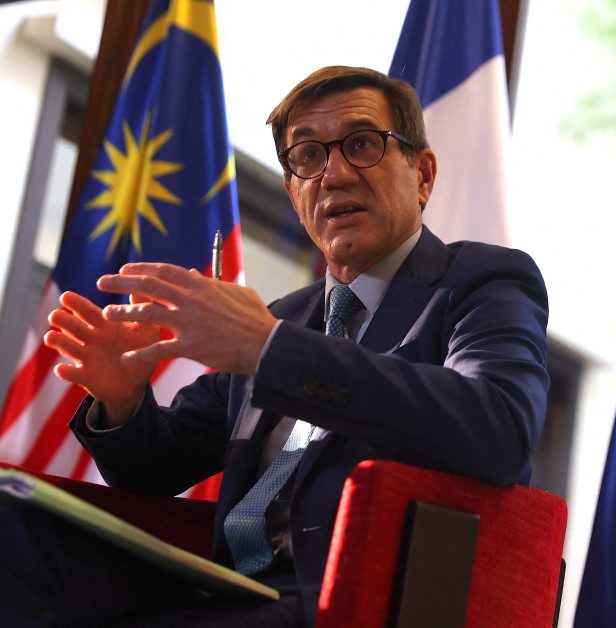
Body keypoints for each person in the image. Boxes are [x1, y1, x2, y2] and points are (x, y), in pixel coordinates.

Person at [3, 66, 549, 626]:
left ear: (423, 174)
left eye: (362, 144)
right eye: (308, 156)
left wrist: (270, 349)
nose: (333, 175)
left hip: (347, 604)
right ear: (294, 194)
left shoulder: (481, 282)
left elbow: (500, 427)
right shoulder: (283, 317)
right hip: (221, 586)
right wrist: (122, 399)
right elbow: (157, 467)